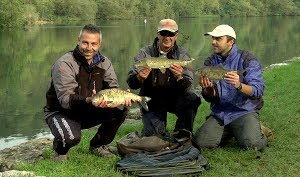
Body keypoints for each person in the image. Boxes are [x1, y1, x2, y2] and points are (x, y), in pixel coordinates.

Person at [44, 24, 134, 160]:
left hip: (91, 106)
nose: (89, 48)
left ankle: (98, 145)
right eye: (85, 43)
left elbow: (112, 88)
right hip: (62, 111)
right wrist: (89, 100)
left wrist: (122, 97)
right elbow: (65, 100)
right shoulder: (64, 64)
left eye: (94, 44)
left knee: (121, 110)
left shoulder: (105, 63)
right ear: (78, 40)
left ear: (99, 44)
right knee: (71, 138)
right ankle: (59, 152)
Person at [194, 24, 268, 151]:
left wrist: (239, 85)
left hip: (244, 111)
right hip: (221, 113)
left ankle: (260, 130)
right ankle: (235, 131)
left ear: (231, 41)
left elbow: (258, 90)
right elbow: (209, 97)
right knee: (200, 144)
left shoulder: (247, 59)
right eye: (213, 38)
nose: (213, 42)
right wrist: (207, 89)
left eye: (218, 39)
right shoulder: (210, 62)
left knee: (253, 145)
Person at [127, 18, 201, 137]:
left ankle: (182, 133)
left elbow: (189, 85)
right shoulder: (144, 53)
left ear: (176, 35)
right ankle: (156, 132)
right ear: (158, 34)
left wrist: (179, 77)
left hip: (175, 97)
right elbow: (131, 83)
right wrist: (139, 78)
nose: (167, 37)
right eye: (163, 33)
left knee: (192, 98)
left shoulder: (182, 55)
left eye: (171, 34)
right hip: (152, 99)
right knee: (153, 137)